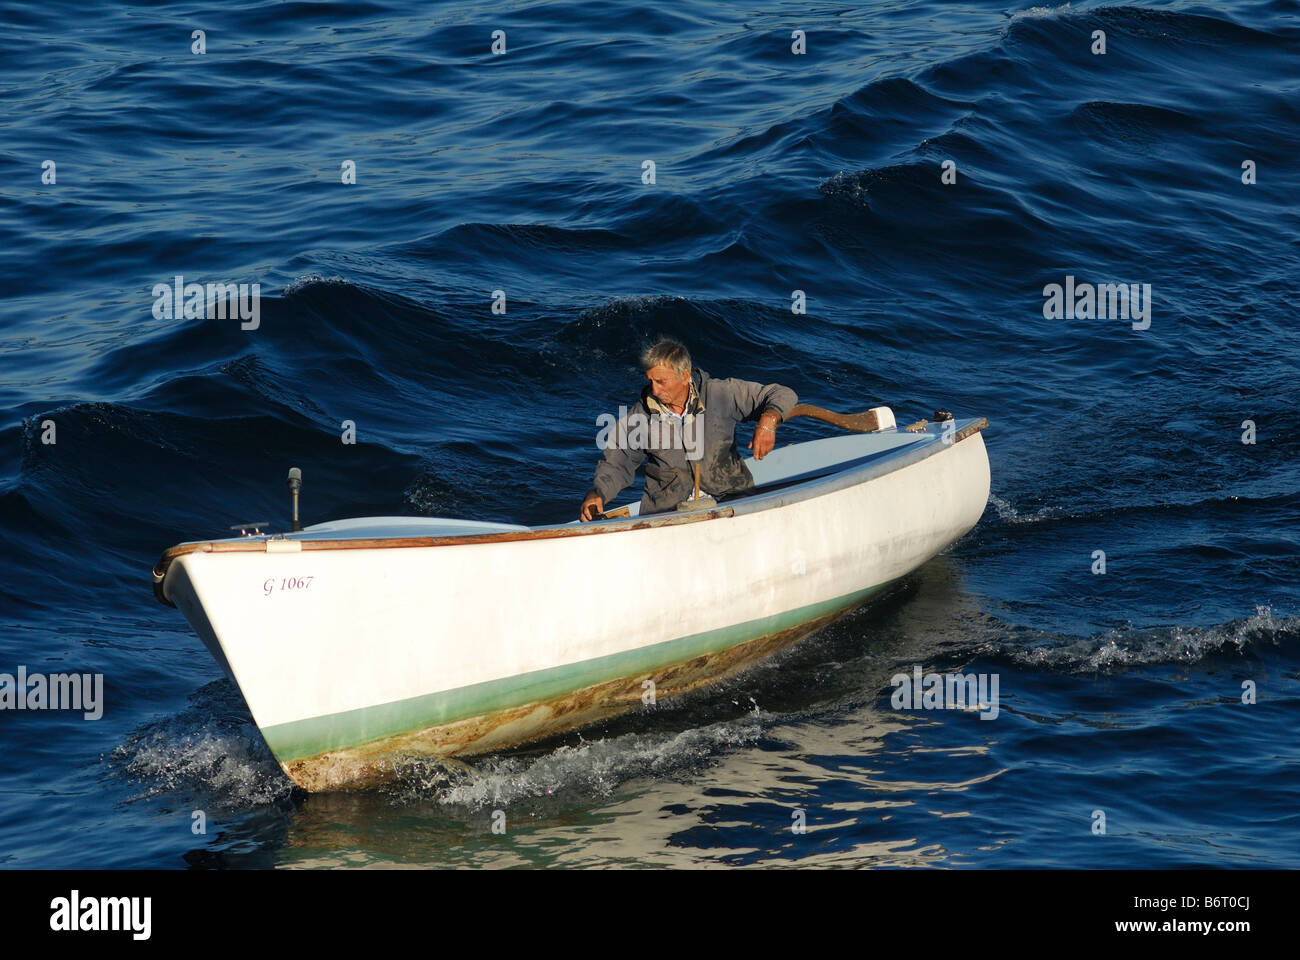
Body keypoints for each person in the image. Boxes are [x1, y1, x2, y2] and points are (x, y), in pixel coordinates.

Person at [579, 339, 798, 520]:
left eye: (661, 382)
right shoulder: (639, 417)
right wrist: (597, 493)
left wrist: (768, 422)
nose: (654, 390)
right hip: (667, 516)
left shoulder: (720, 394)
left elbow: (781, 394)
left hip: (733, 503)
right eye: (651, 381)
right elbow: (617, 464)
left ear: (684, 376)